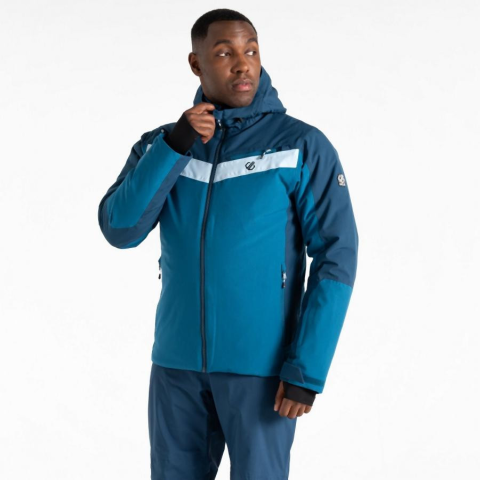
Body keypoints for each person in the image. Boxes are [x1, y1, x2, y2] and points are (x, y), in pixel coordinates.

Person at [98, 8, 359, 480]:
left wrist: (306, 368)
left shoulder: (301, 145)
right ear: (196, 64)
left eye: (251, 50)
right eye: (224, 53)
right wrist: (175, 145)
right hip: (176, 366)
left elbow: (337, 257)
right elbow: (121, 229)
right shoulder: (164, 145)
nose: (243, 64)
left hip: (263, 371)